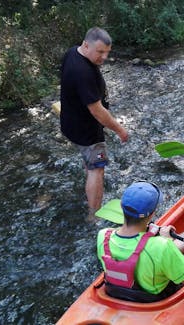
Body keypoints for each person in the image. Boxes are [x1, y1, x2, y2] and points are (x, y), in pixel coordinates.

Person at [60, 27, 129, 222]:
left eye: (107, 52)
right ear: (86, 45)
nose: (104, 57)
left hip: (71, 122)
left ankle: (90, 195)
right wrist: (120, 130)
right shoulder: (83, 72)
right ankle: (94, 215)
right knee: (97, 169)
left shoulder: (72, 53)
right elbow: (97, 111)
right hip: (87, 131)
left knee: (90, 165)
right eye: (100, 52)